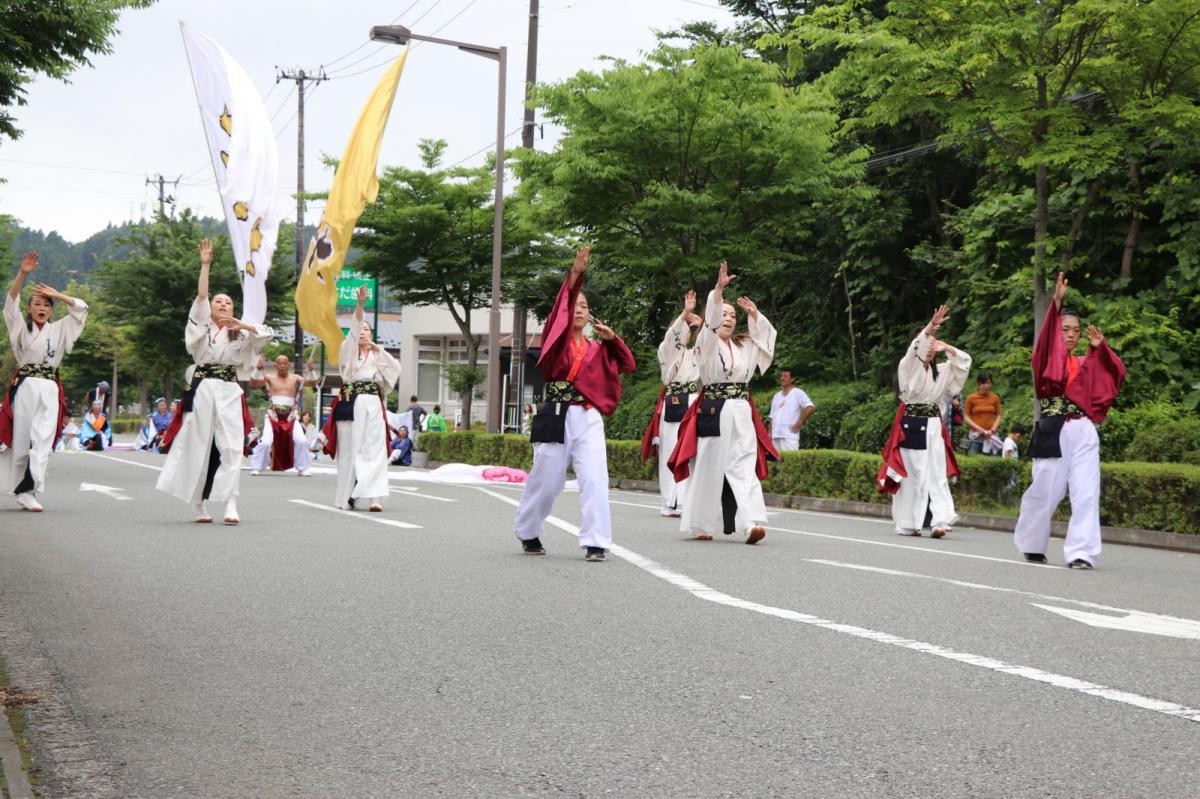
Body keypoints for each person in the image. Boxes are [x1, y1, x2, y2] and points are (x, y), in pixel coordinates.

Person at [514, 246, 636, 561]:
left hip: (588, 415)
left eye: (585, 306)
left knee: (595, 478)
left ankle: (596, 541)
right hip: (555, 414)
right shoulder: (555, 340)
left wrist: (613, 339)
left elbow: (627, 364)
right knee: (548, 480)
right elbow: (561, 308)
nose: (579, 309)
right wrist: (576, 275)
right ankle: (528, 531)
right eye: (576, 304)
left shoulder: (597, 347)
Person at [155, 239, 272, 524]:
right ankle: (198, 502)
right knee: (200, 445)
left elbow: (265, 335)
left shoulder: (241, 333)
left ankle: (231, 502)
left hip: (230, 389)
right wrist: (205, 265)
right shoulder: (201, 327)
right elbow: (201, 295)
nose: (222, 304)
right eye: (218, 301)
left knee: (232, 445)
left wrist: (243, 325)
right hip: (204, 387)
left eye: (228, 302)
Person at [1013, 273, 1126, 569]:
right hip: (1053, 427)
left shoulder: (1087, 363)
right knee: (1045, 490)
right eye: (1065, 328)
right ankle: (1033, 544)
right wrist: (1057, 303)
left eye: (1076, 330)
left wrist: (1101, 349)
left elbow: (1114, 375)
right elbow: (1046, 343)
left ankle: (1081, 553)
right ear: (1056, 331)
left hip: (1083, 429)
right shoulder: (1045, 359)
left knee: (1087, 492)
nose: (1071, 334)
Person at [669, 262, 777, 545]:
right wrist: (718, 290)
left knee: (744, 463)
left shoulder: (745, 346)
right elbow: (712, 320)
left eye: (732, 315)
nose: (728, 318)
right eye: (724, 314)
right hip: (714, 408)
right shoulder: (707, 342)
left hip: (741, 408)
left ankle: (751, 521)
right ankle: (700, 524)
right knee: (707, 465)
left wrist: (755, 316)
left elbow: (767, 341)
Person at [0, 251, 87, 511]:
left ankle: (30, 487)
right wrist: (23, 274)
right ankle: (23, 490)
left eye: (47, 305)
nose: (42, 308)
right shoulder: (19, 327)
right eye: (37, 304)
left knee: (44, 439)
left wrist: (60, 295)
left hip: (49, 386)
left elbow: (81, 309)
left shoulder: (59, 328)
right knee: (24, 437)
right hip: (26, 385)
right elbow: (10, 303)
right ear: (30, 307)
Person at [877, 305, 972, 538]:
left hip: (933, 425)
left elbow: (964, 363)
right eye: (927, 343)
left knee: (936, 473)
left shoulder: (941, 370)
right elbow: (915, 350)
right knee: (910, 474)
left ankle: (940, 520)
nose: (930, 347)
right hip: (910, 425)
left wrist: (947, 347)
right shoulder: (907, 366)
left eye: (933, 344)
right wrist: (931, 327)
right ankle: (908, 523)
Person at [321, 286, 401, 512]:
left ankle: (375, 497)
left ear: (373, 335)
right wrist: (360, 306)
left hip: (373, 402)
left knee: (375, 449)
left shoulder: (378, 354)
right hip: (351, 401)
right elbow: (354, 330)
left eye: (368, 329)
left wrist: (380, 350)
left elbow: (395, 370)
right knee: (350, 450)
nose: (363, 332)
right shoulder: (348, 349)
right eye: (361, 329)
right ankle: (346, 495)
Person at [641, 291, 701, 517]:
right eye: (680, 327)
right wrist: (685, 313)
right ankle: (670, 500)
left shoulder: (694, 352)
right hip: (675, 401)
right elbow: (672, 337)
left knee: (692, 450)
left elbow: (710, 346)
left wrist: (702, 327)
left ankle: (687, 500)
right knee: (670, 450)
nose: (684, 331)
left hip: (693, 401)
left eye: (688, 328)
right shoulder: (666, 350)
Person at [248, 354, 317, 476]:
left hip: (290, 416)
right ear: (275, 365)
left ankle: (303, 468)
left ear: (289, 365)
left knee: (301, 441)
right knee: (265, 442)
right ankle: (258, 466)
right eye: (280, 363)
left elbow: (312, 383)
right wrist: (257, 369)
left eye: (285, 363)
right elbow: (253, 383)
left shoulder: (296, 378)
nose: (282, 366)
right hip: (273, 415)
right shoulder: (269, 377)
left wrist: (311, 370)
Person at [768, 367, 815, 453]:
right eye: (781, 376)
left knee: (789, 463)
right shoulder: (776, 396)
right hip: (776, 436)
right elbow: (772, 416)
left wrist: (800, 422)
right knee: (775, 464)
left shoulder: (798, 393)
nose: (782, 378)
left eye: (785, 376)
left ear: (792, 379)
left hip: (789, 436)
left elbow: (810, 408)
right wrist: (770, 433)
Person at [964, 372, 1003, 455]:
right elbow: (966, 416)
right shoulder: (971, 398)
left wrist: (992, 430)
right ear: (978, 384)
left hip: (991, 436)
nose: (985, 386)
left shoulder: (995, 397)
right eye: (983, 383)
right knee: (973, 460)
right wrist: (979, 429)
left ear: (991, 384)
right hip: (976, 435)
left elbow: (999, 415)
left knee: (992, 463)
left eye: (988, 383)